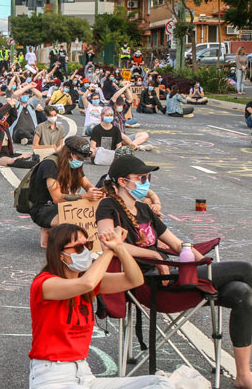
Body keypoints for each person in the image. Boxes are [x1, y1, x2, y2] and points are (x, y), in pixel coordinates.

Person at [97, 155, 252, 389]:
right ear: (122, 181)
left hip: (172, 275)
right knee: (245, 269)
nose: (146, 182)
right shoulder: (108, 206)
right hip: (147, 284)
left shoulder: (144, 210)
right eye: (141, 178)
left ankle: (243, 375)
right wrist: (155, 255)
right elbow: (108, 243)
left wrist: (204, 264)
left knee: (241, 292)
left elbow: (178, 245)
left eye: (147, 177)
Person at [29, 223, 172, 389]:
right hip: (52, 376)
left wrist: (119, 247)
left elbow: (134, 280)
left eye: (88, 245)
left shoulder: (90, 281)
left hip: (83, 372)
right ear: (60, 254)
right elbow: (87, 283)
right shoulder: (44, 283)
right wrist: (110, 250)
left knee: (161, 384)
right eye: (79, 247)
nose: (86, 252)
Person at [29, 136, 103, 247]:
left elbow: (86, 184)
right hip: (43, 208)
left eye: (83, 159)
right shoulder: (50, 165)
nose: (81, 161)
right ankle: (49, 228)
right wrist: (85, 196)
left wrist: (95, 191)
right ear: (69, 154)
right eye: (79, 158)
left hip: (58, 206)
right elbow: (57, 198)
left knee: (93, 209)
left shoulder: (73, 163)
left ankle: (52, 230)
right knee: (77, 221)